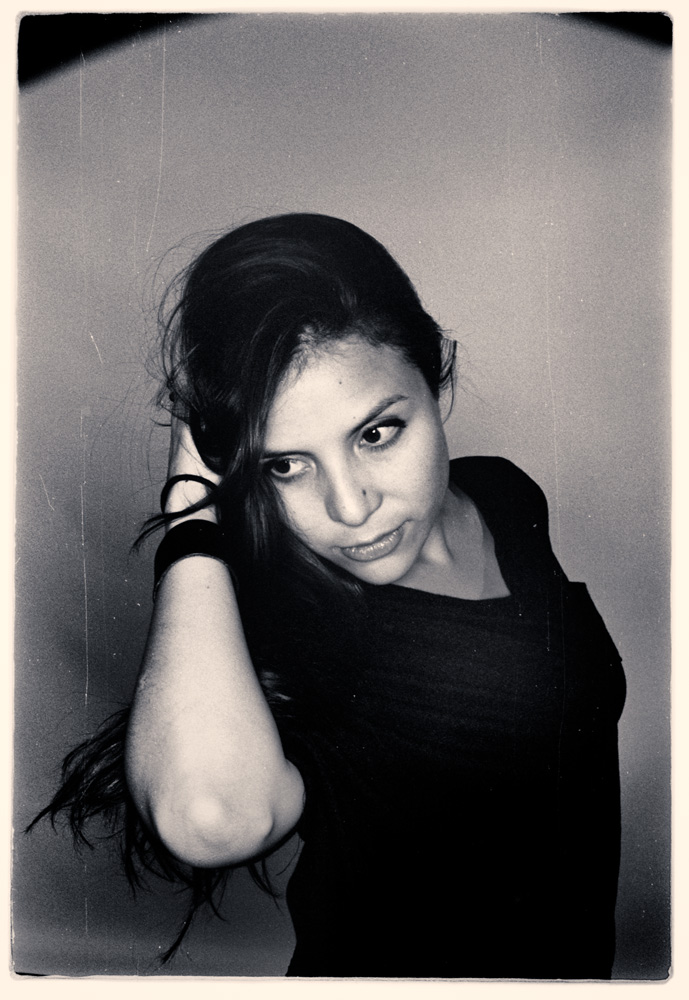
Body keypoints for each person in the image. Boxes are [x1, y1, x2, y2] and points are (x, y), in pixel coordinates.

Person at [32, 213, 626, 978]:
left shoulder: (504, 497)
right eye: (284, 465)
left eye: (376, 434)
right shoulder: (282, 612)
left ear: (434, 375)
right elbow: (210, 820)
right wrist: (189, 514)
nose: (350, 509)